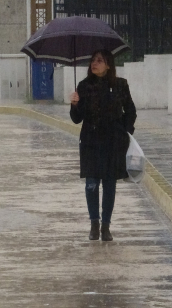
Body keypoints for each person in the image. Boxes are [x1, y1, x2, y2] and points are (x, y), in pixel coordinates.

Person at [69, 50, 137, 241]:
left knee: (109, 184)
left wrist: (125, 132)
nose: (94, 63)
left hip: (112, 143)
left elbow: (130, 111)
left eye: (99, 60)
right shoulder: (83, 86)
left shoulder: (120, 85)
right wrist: (74, 104)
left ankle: (106, 226)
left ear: (108, 65)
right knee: (91, 183)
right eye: (92, 60)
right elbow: (76, 119)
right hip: (90, 142)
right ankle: (94, 224)